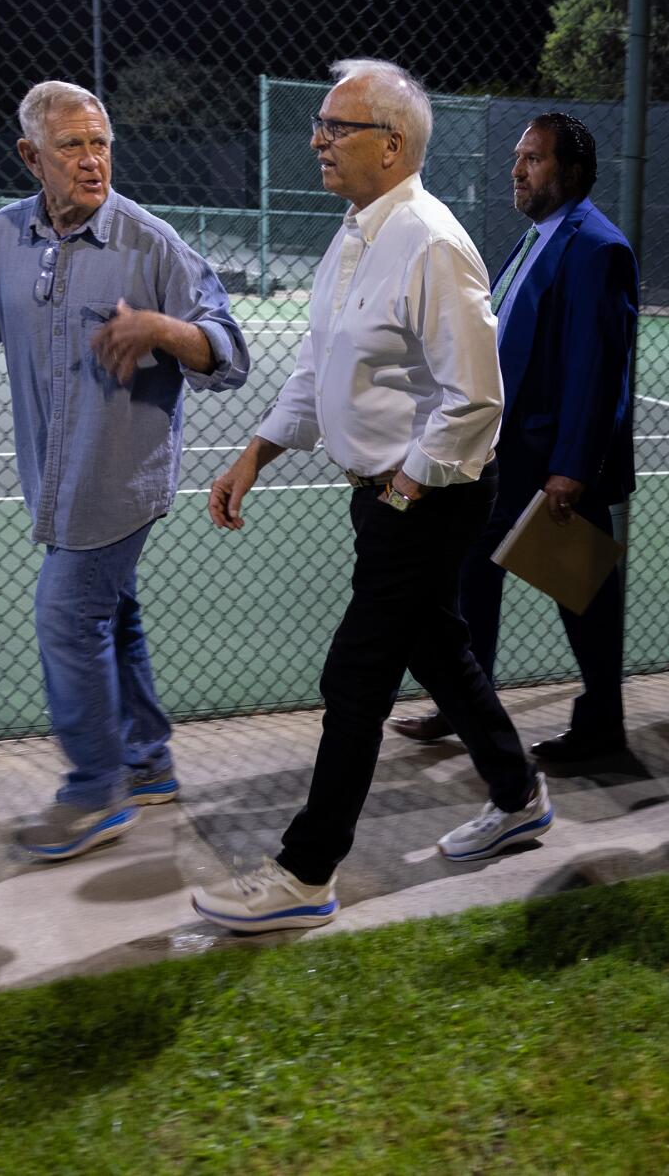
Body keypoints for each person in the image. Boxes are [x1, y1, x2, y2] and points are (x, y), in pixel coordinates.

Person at [0, 80, 250, 862]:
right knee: (113, 617)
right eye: (71, 146)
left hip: (120, 479)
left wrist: (165, 330)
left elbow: (228, 352)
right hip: (54, 480)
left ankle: (95, 791)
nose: (92, 160)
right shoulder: (3, 238)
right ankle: (147, 762)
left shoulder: (151, 243)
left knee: (68, 616)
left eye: (100, 143)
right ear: (31, 156)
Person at [193, 59, 551, 934]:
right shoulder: (356, 231)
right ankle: (518, 793)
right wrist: (256, 454)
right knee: (436, 647)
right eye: (320, 124)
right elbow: (321, 366)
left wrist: (403, 484)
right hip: (389, 495)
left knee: (356, 673)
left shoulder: (430, 240)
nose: (318, 139)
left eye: (335, 127)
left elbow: (477, 398)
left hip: (427, 496)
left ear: (391, 147)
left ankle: (306, 871)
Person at [388, 113, 639, 764]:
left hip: (548, 464)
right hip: (504, 456)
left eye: (533, 158)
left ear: (574, 172)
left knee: (582, 592)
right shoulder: (539, 239)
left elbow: (597, 367)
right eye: (518, 157)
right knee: (473, 576)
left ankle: (603, 731)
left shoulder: (595, 248)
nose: (517, 169)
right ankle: (469, 702)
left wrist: (571, 467)